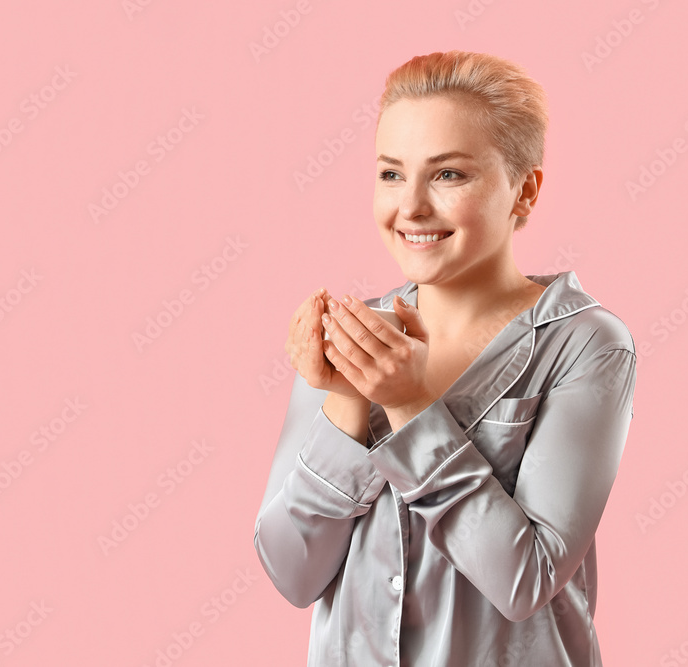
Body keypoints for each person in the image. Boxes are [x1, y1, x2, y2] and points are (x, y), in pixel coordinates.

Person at [254, 50, 637, 666]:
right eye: (389, 173)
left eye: (448, 175)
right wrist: (349, 399)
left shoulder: (587, 345)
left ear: (525, 190)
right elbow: (292, 574)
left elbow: (525, 581)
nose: (411, 207)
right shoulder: (355, 333)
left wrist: (407, 404)